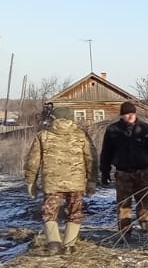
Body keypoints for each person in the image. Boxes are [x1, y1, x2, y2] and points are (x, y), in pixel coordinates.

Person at [23, 106, 96, 255]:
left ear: (53, 119)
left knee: (49, 212)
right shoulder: (81, 135)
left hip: (52, 182)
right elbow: (91, 159)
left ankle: (54, 243)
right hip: (76, 181)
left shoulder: (43, 135)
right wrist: (92, 180)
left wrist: (31, 181)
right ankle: (69, 245)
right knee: (75, 212)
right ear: (72, 119)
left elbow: (33, 160)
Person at [100, 102, 148, 239]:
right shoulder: (113, 130)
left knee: (144, 200)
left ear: (135, 113)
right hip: (123, 172)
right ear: (122, 115)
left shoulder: (145, 128)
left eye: (132, 113)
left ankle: (144, 223)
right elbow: (106, 152)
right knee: (124, 203)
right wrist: (105, 171)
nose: (130, 116)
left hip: (142, 171)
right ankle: (125, 231)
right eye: (126, 113)